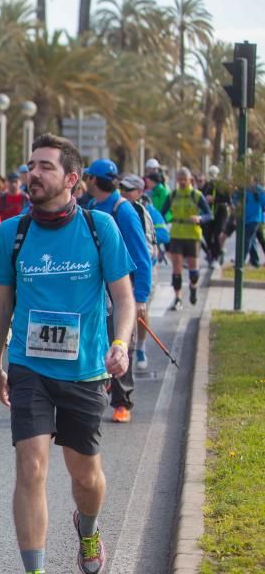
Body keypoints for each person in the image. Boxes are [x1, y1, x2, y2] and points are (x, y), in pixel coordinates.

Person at [0, 134, 136, 574]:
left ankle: (87, 527)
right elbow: (2, 304)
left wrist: (121, 344)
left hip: (86, 370)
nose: (34, 173)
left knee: (85, 477)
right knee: (30, 468)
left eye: (46, 166)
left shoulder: (100, 228)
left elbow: (124, 298)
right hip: (30, 365)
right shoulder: (13, 232)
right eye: (31, 165)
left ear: (71, 179)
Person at [83, 159, 152, 424]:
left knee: (121, 343)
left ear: (94, 180)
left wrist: (141, 297)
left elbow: (141, 257)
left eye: (88, 176)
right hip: (96, 289)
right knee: (96, 340)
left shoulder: (122, 210)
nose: (85, 180)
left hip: (121, 290)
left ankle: (122, 402)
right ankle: (100, 387)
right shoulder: (91, 207)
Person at [119, 174, 167, 371]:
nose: (124, 192)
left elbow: (163, 235)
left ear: (139, 192)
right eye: (122, 188)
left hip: (143, 268)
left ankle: (140, 347)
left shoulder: (147, 212)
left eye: (128, 189)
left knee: (140, 310)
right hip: (121, 270)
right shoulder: (116, 209)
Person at [160, 167, 210, 310]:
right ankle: (178, 298)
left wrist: (199, 218)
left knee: (193, 269)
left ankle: (193, 287)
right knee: (176, 268)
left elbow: (209, 215)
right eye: (179, 179)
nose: (181, 182)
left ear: (190, 180)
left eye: (184, 179)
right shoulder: (172, 195)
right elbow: (162, 214)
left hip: (193, 235)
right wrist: (166, 222)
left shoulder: (197, 195)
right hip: (176, 235)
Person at [201, 165, 231, 265]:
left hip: (221, 213)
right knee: (206, 234)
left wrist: (215, 199)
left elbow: (227, 199)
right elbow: (201, 197)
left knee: (217, 234)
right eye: (210, 174)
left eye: (214, 174)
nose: (212, 177)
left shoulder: (222, 186)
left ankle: (215, 256)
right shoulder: (207, 185)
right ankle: (212, 252)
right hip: (209, 213)